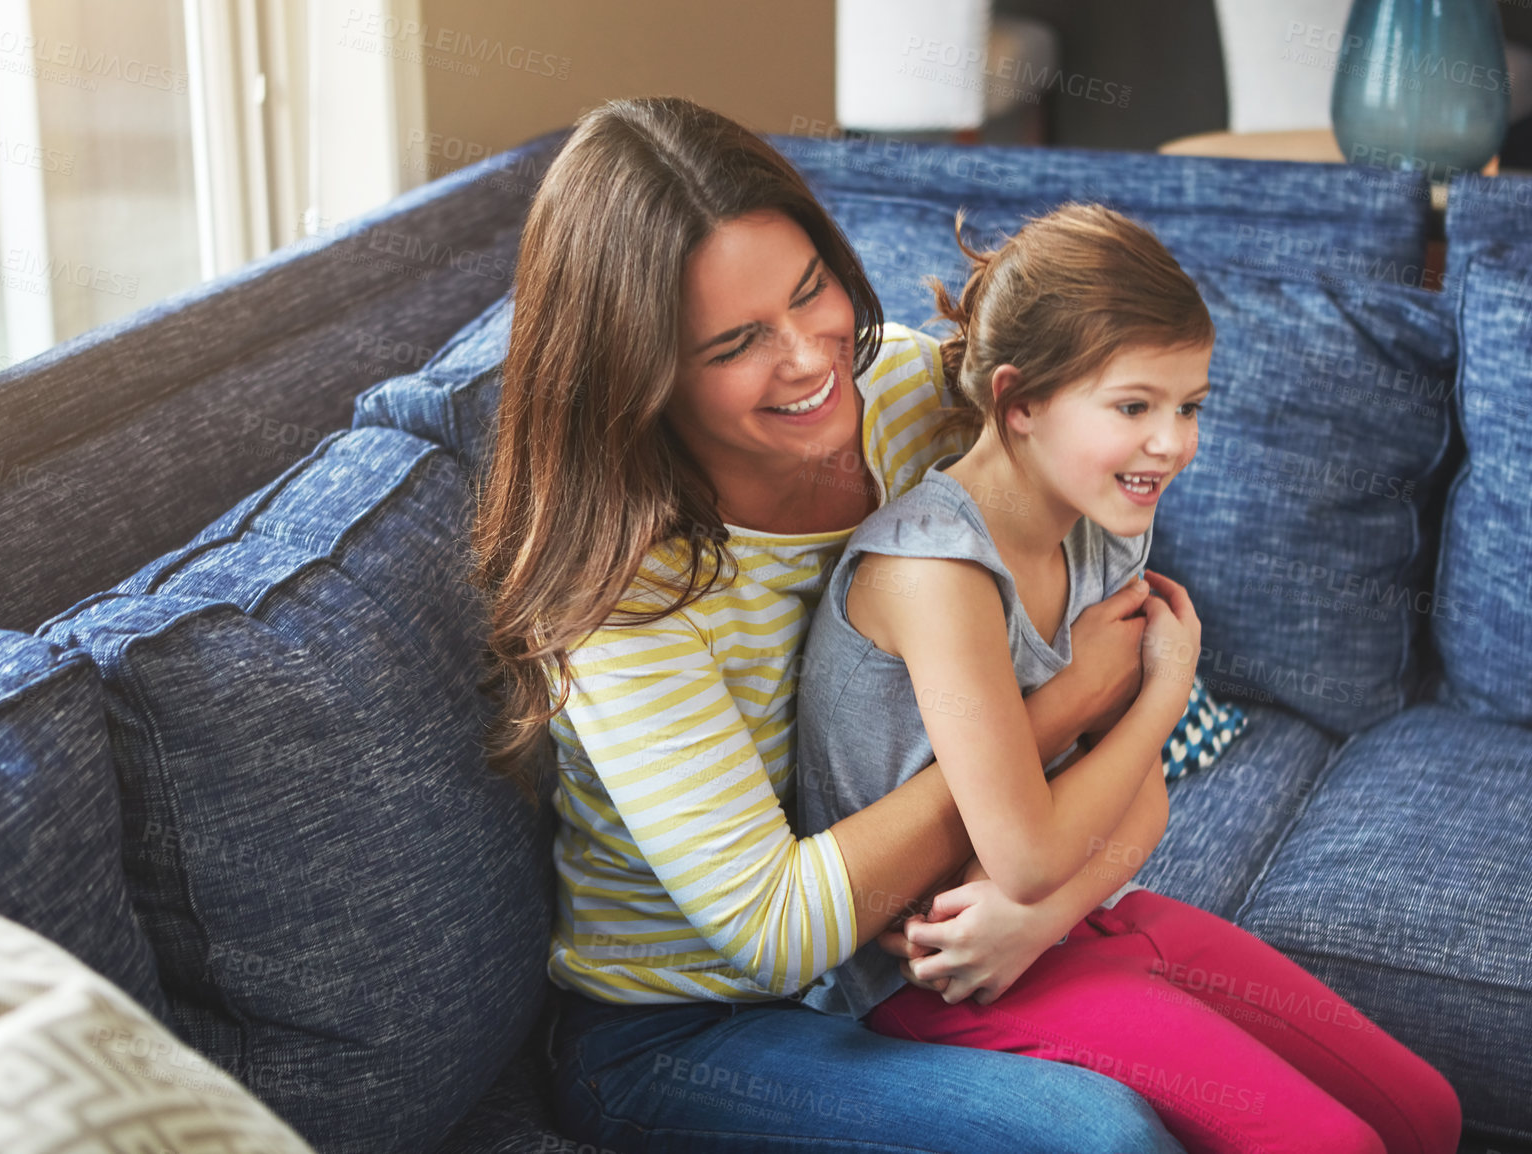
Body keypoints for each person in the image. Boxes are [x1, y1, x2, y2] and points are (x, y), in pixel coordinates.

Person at [466, 96, 1187, 1153]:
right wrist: (1065, 700)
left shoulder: (906, 396)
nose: (811, 359)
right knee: (1104, 1136)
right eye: (738, 342)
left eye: (812, 293)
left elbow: (1104, 626)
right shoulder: (620, 599)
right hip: (683, 1030)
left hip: (911, 948)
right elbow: (777, 929)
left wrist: (1037, 893)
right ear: (641, 375)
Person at [792, 201, 1465, 1154]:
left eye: (1190, 405)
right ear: (1020, 402)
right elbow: (1023, 851)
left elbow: (1137, 803)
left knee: (1425, 1112)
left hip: (1059, 924)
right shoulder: (936, 575)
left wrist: (1047, 916)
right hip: (927, 988)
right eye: (1136, 407)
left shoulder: (1103, 522)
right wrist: (1160, 691)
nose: (1175, 443)